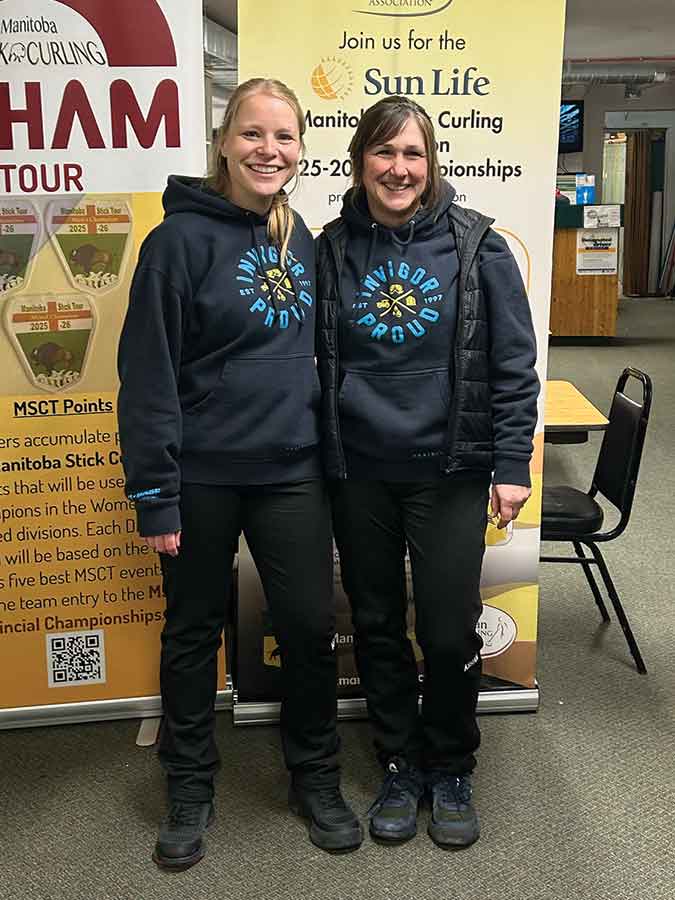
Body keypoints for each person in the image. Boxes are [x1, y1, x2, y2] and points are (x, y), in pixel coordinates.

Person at [117, 78, 363, 870]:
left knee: (306, 629)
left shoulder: (303, 240)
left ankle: (314, 777)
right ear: (224, 141)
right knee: (193, 633)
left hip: (292, 471)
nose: (269, 151)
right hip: (200, 476)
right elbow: (148, 376)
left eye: (285, 138)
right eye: (254, 135)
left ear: (300, 150)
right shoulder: (175, 244)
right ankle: (189, 784)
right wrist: (155, 493)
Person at [315, 96, 539, 849]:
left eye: (412, 154)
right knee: (375, 624)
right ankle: (398, 761)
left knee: (445, 632)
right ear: (360, 162)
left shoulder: (477, 249)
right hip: (359, 471)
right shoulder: (328, 250)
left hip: (449, 471)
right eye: (384, 153)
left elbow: (512, 364)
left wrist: (512, 461)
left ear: (431, 162)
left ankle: (449, 763)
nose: (398, 168)